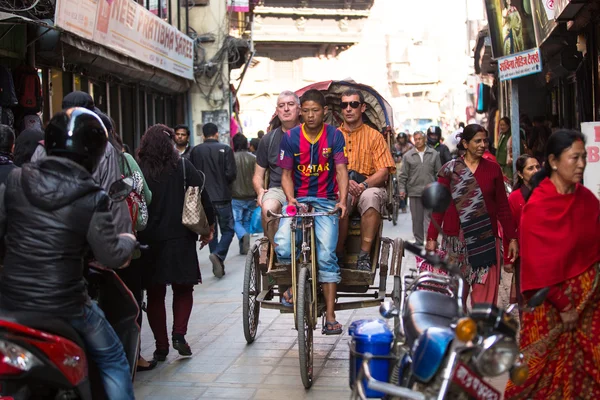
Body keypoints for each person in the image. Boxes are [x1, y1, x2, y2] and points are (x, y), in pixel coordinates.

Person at [0, 108, 136, 399]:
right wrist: (128, 239)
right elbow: (112, 255)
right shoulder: (92, 196)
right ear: (97, 152)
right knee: (113, 359)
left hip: (11, 300)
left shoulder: (15, 180)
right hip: (67, 306)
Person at [505, 130, 600, 399]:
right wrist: (565, 306)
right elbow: (537, 267)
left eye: (584, 157)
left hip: (589, 309)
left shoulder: (586, 200)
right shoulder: (538, 207)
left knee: (589, 373)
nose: (581, 164)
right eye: (574, 158)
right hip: (551, 309)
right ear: (554, 162)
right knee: (540, 379)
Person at [137, 125, 215, 361]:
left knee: (155, 293)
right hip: (180, 237)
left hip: (148, 240)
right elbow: (203, 194)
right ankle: (179, 335)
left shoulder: (140, 169)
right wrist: (209, 226)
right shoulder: (182, 165)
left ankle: (161, 346)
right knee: (183, 289)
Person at [275, 89, 348, 335]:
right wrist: (291, 198)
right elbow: (286, 175)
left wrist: (343, 201)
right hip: (299, 200)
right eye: (305, 111)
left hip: (326, 202)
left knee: (327, 255)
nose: (309, 115)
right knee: (284, 245)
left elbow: (340, 171)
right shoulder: (291, 137)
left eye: (314, 110)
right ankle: (295, 287)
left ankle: (330, 315)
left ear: (324, 112)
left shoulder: (335, 135)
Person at [426, 124, 518, 306]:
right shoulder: (449, 170)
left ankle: (480, 332)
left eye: (485, 140)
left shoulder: (493, 170)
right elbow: (439, 208)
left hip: (485, 242)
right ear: (465, 144)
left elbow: (503, 208)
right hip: (455, 244)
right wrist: (431, 238)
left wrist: (512, 238)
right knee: (455, 298)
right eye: (477, 141)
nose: (483, 144)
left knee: (483, 301)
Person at [30, 91, 132, 236]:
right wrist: (122, 236)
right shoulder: (104, 147)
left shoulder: (43, 146)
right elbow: (113, 195)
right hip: (87, 232)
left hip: (47, 231)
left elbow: (31, 188)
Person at [335, 89, 395, 271]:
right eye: (344, 105)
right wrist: (343, 182)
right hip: (340, 184)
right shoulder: (332, 136)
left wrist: (363, 185)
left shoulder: (374, 136)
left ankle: (363, 255)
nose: (348, 109)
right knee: (339, 199)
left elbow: (383, 171)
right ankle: (336, 254)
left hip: (368, 185)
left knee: (371, 197)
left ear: (363, 108)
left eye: (353, 104)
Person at [253, 90, 301, 246]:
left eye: (290, 104)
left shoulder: (311, 134)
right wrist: (260, 191)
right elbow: (258, 175)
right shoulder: (268, 139)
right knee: (268, 209)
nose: (286, 109)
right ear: (277, 111)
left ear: (299, 109)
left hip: (306, 187)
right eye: (282, 105)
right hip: (278, 189)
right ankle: (277, 252)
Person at [189, 123, 236, 278]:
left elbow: (192, 175)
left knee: (211, 231)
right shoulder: (226, 149)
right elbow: (231, 174)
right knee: (228, 229)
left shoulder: (195, 151)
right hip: (222, 196)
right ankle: (219, 254)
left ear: (203, 135)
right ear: (217, 134)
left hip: (204, 198)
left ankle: (216, 256)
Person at [504, 154, 540, 308]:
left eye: (538, 167)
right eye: (530, 168)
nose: (535, 171)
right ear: (520, 173)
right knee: (526, 300)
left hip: (546, 254)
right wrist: (508, 259)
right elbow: (509, 230)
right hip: (524, 257)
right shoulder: (515, 198)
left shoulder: (548, 193)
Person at [398, 131, 441, 244]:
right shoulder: (408, 156)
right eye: (415, 139)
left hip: (430, 191)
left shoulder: (434, 154)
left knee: (430, 217)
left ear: (425, 139)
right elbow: (403, 175)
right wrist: (402, 190)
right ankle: (419, 240)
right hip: (414, 191)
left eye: (420, 139)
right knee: (417, 219)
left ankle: (431, 239)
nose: (417, 141)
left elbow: (439, 173)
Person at [231, 133, 257, 255]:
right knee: (246, 220)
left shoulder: (231, 157)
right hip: (251, 195)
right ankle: (244, 247)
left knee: (235, 221)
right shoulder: (253, 158)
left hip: (236, 195)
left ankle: (243, 235)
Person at [394, 132, 414, 213]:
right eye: (400, 138)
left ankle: (404, 203)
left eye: (403, 138)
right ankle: (402, 205)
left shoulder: (410, 146)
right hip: (398, 168)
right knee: (399, 186)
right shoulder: (395, 147)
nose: (401, 140)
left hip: (408, 167)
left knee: (407, 186)